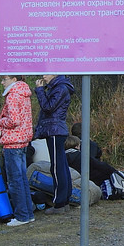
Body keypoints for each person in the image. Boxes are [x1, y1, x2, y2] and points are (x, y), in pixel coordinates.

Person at [0, 75, 35, 227]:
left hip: (12, 142)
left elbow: (14, 120)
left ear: (13, 79)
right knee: (22, 179)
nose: (2, 82)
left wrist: (1, 121)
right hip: (23, 140)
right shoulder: (24, 93)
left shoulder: (12, 95)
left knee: (14, 181)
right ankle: (28, 213)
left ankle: (22, 216)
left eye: (4, 79)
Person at [34, 74, 75, 214]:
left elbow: (48, 107)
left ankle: (59, 203)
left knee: (57, 167)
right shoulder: (59, 87)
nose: (44, 76)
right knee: (61, 165)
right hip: (56, 129)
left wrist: (40, 90)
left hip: (54, 130)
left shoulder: (60, 88)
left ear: (55, 74)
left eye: (47, 73)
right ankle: (65, 201)